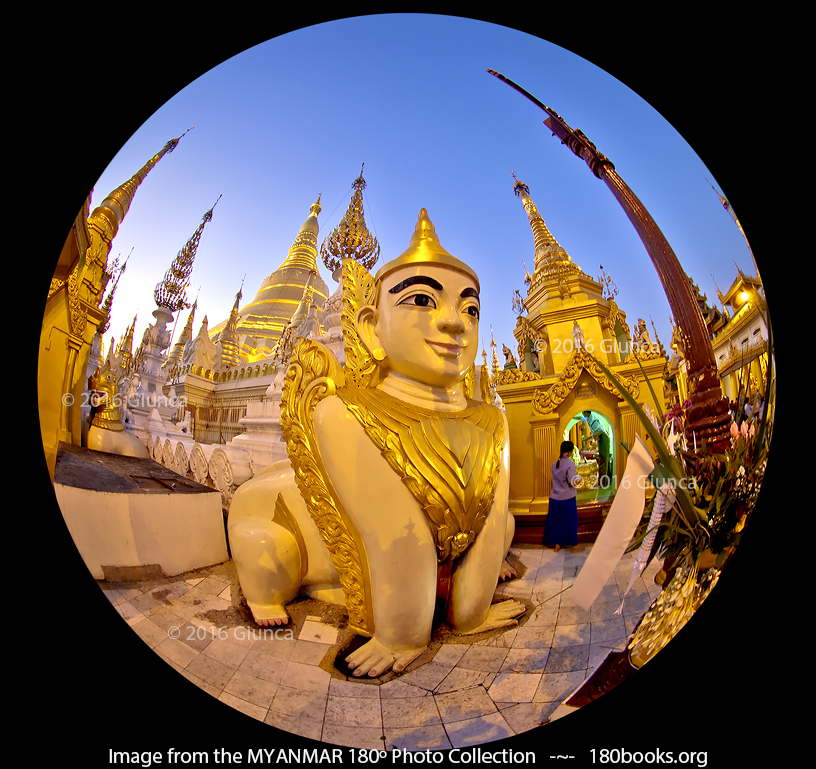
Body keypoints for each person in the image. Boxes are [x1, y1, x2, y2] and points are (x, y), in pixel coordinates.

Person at [228, 209, 523, 678]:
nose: (454, 323)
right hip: (285, 537)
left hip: (431, 556)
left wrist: (472, 613)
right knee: (273, 556)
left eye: (470, 309)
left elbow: (485, 528)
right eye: (423, 300)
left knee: (500, 521)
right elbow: (397, 536)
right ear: (371, 329)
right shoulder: (345, 412)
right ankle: (264, 592)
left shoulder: (492, 420)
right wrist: (402, 635)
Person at [544, 440, 581, 552]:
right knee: (571, 521)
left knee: (557, 522)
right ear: (569, 452)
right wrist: (579, 479)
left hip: (555, 498)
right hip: (567, 498)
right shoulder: (570, 464)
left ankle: (557, 545)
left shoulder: (555, 464)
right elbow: (571, 482)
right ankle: (574, 546)